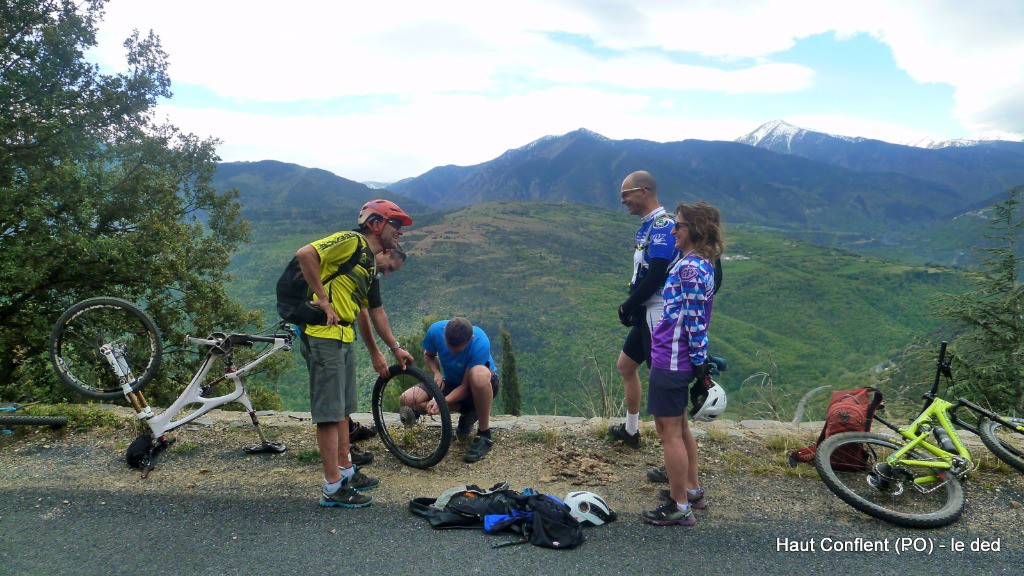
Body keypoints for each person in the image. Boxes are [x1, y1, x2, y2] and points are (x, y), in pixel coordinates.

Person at [296, 199, 410, 508]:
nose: (399, 232)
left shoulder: (369, 264)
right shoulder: (351, 241)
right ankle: (333, 486)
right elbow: (306, 254)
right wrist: (322, 298)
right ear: (375, 224)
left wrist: (395, 348)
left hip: (343, 336)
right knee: (329, 414)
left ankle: (346, 471)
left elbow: (376, 313)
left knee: (343, 410)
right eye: (395, 225)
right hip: (323, 335)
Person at [642, 200, 724, 527]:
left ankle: (679, 506)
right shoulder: (699, 262)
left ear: (695, 229)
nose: (673, 230)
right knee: (681, 427)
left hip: (672, 357)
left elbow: (692, 320)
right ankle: (691, 490)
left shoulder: (689, 268)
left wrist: (700, 361)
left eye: (679, 225)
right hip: (678, 357)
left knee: (668, 433)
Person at [608, 170, 680, 449]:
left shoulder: (663, 225)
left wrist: (629, 304)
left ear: (643, 192)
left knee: (661, 383)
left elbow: (657, 275)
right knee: (626, 366)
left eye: (626, 194)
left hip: (657, 314)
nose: (623, 200)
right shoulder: (647, 225)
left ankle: (674, 452)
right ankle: (631, 430)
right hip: (645, 312)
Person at [398, 317, 499, 463]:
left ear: (470, 338)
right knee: (407, 399)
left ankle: (484, 434)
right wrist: (437, 373)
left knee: (479, 375)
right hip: (450, 381)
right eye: (448, 345)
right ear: (444, 333)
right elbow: (428, 355)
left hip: (476, 385)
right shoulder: (435, 330)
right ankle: (469, 413)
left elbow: (465, 387)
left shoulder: (480, 341)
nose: (451, 352)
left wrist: (442, 401)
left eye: (457, 349)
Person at [348, 247, 415, 449]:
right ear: (384, 251)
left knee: (343, 388)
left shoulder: (372, 275)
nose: (386, 273)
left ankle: (348, 430)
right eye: (389, 267)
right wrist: (374, 352)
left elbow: (376, 313)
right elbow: (363, 314)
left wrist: (395, 348)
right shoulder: (356, 256)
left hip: (341, 328)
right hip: (320, 326)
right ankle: (341, 457)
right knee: (334, 393)